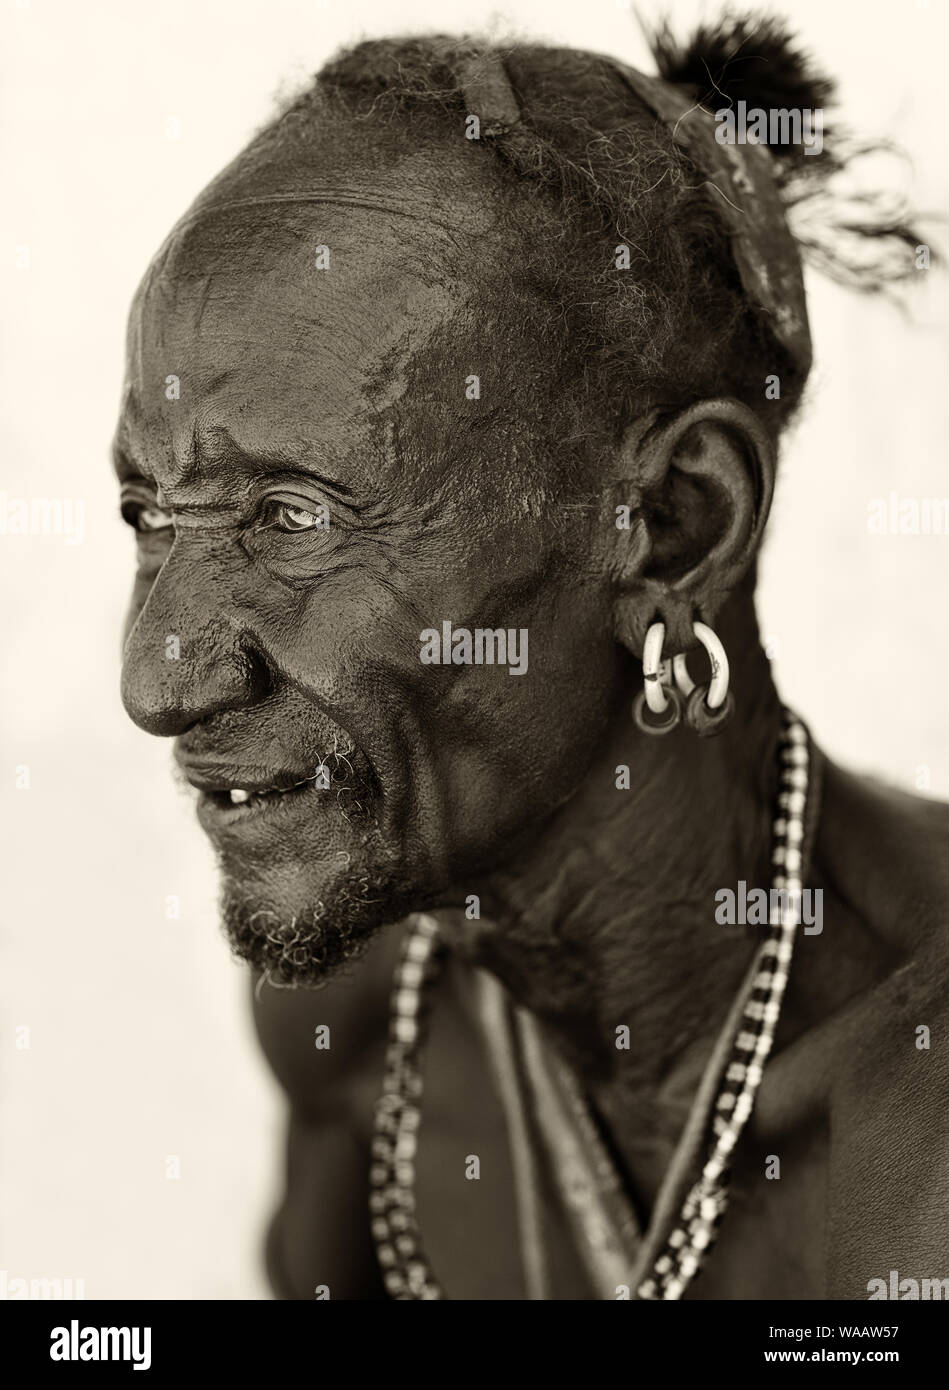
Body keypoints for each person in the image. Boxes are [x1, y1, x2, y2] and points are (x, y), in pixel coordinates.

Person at [115, 13, 949, 1299]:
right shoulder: (366, 1029)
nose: (159, 682)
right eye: (148, 513)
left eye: (291, 518)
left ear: (673, 526)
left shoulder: (919, 1140)